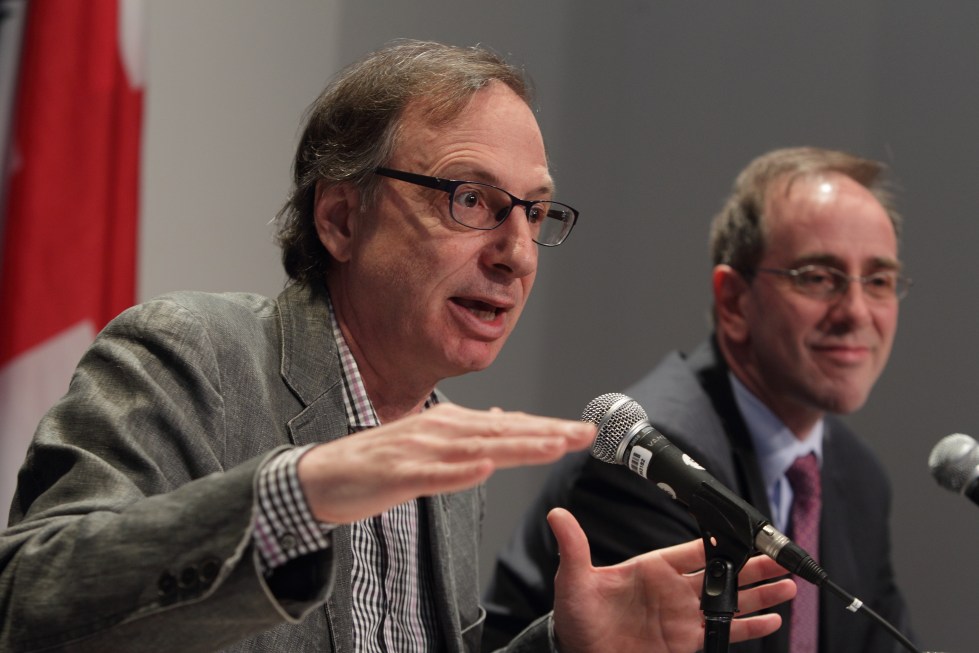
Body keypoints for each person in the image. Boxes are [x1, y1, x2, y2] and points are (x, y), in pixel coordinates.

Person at [0, 41, 794, 653]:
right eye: (470, 199)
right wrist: (298, 493)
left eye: (533, 212)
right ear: (340, 219)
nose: (516, 253)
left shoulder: (443, 458)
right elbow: (27, 602)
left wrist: (563, 645)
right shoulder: (193, 356)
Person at [482, 146, 915, 653]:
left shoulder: (858, 476)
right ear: (734, 302)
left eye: (879, 281)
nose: (857, 312)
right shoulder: (654, 460)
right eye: (818, 278)